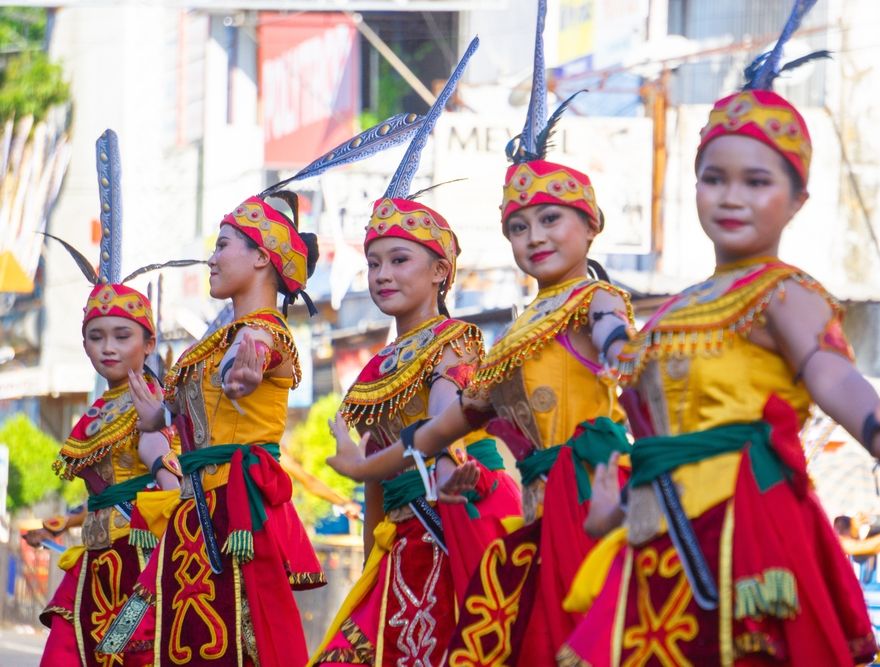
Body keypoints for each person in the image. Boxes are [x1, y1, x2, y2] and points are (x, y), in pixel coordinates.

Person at [558, 3, 880, 664]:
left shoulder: (782, 291)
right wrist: (618, 511)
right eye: (713, 178)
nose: (731, 196)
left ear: (797, 201)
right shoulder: (675, 309)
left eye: (757, 181)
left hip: (740, 533)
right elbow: (656, 417)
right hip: (656, 539)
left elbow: (830, 372)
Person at [326, 5, 635, 664]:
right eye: (519, 227)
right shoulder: (514, 335)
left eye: (550, 220)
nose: (535, 237)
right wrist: (364, 475)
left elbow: (448, 415)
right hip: (498, 521)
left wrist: (623, 352)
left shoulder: (563, 309)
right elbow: (442, 428)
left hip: (548, 503)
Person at [95, 108, 430, 667]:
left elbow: (254, 354)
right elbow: (187, 414)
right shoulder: (214, 341)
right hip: (193, 509)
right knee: (126, 639)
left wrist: (244, 370)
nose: (212, 257)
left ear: (260, 257)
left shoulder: (263, 332)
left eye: (223, 244)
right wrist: (158, 419)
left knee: (241, 638)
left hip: (236, 512)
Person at [309, 38, 522, 667]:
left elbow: (440, 425)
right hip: (399, 542)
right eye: (373, 262)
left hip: (453, 527)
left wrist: (366, 468)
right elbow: (376, 479)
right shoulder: (374, 370)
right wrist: (370, 555)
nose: (381, 274)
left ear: (440, 272)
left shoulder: (453, 341)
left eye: (399, 260)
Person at [31, 130, 185, 666]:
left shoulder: (153, 403)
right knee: (66, 655)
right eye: (96, 337)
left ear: (149, 343)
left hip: (136, 562)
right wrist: (65, 522)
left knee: (121, 656)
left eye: (122, 336)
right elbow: (107, 488)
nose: (108, 348)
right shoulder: (99, 409)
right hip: (94, 560)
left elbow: (167, 477)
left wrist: (168, 522)